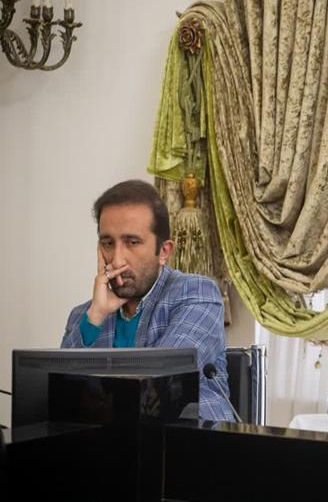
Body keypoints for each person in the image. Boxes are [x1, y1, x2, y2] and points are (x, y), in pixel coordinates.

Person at [61, 180, 234, 421]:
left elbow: (161, 383)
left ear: (163, 251)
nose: (117, 259)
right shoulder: (84, 317)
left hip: (186, 439)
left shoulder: (197, 294)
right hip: (109, 441)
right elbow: (60, 399)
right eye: (108, 243)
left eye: (132, 242)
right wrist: (96, 316)